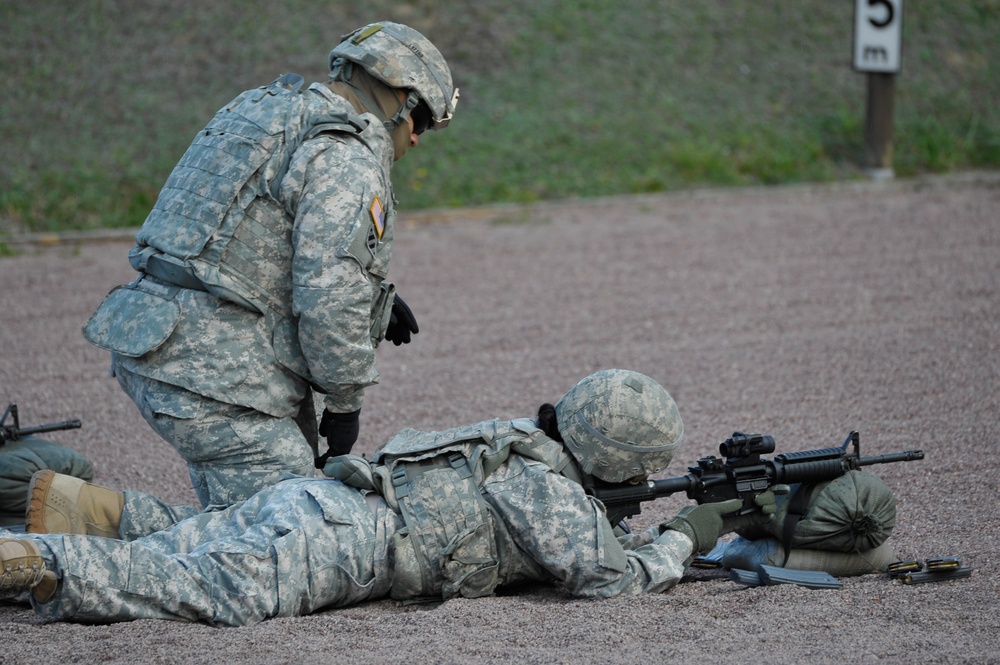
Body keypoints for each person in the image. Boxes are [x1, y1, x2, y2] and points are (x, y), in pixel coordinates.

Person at [2, 370, 775, 627]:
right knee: (209, 587)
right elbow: (611, 578)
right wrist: (686, 533)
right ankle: (35, 559)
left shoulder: (512, 440)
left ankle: (76, 509)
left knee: (193, 536)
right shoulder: (552, 494)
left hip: (316, 497)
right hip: (338, 542)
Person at [74, 21, 460, 535]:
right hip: (215, 372)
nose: (416, 137)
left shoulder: (263, 110)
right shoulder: (346, 155)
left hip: (160, 337)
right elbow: (329, 299)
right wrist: (345, 405)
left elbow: (239, 238)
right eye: (424, 121)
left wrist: (376, 300)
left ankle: (65, 517)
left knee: (243, 522)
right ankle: (59, 540)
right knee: (298, 538)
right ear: (400, 100)